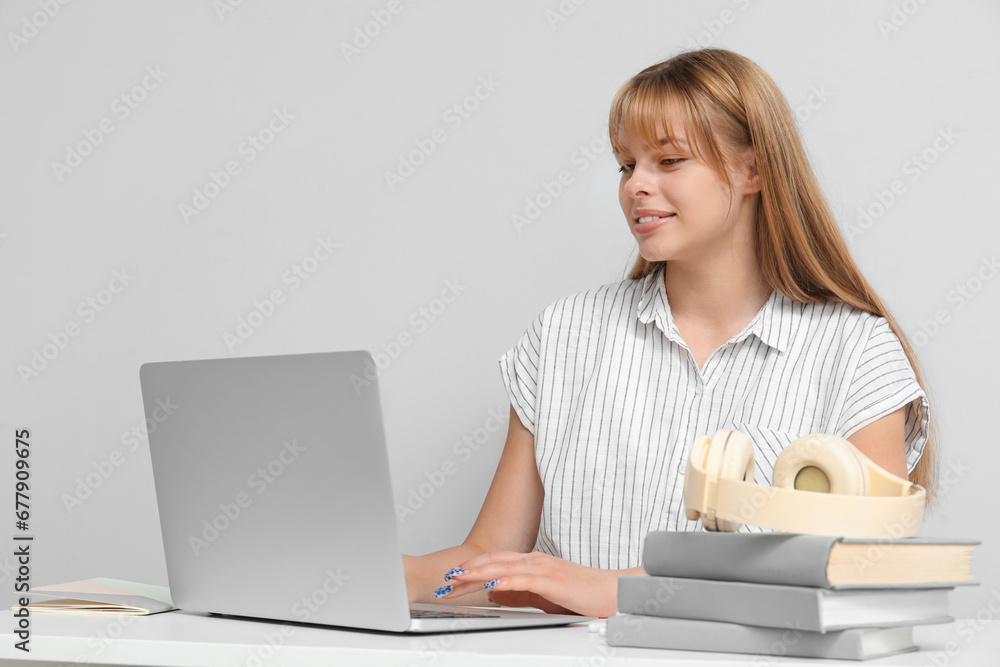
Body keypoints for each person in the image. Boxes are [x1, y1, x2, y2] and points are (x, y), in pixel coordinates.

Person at [402, 47, 938, 619]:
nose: (637, 186)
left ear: (754, 170)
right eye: (626, 164)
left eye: (670, 161)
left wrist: (617, 589)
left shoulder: (855, 351)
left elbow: (866, 572)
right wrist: (362, 574)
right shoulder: (563, 334)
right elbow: (487, 558)